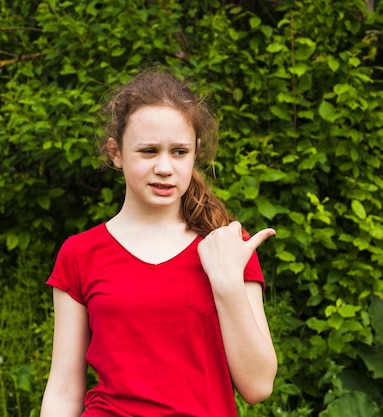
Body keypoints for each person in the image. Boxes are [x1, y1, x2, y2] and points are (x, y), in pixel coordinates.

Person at [40, 69, 278, 417]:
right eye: (148, 151)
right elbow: (63, 390)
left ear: (196, 152)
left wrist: (226, 281)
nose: (165, 167)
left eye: (179, 152)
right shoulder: (80, 253)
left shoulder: (228, 246)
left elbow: (258, 387)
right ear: (116, 153)